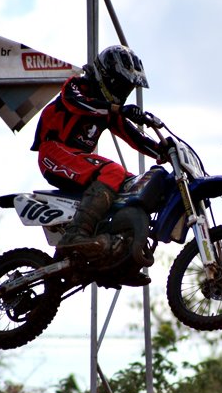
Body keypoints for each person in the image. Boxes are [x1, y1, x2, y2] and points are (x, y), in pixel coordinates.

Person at [31, 45, 163, 277]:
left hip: (78, 160)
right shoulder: (76, 87)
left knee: (132, 183)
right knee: (113, 171)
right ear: (107, 77)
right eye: (122, 85)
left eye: (128, 87)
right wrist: (117, 109)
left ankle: (117, 253)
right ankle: (77, 234)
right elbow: (77, 102)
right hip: (53, 151)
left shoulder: (110, 111)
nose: (124, 92)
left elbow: (132, 135)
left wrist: (163, 150)